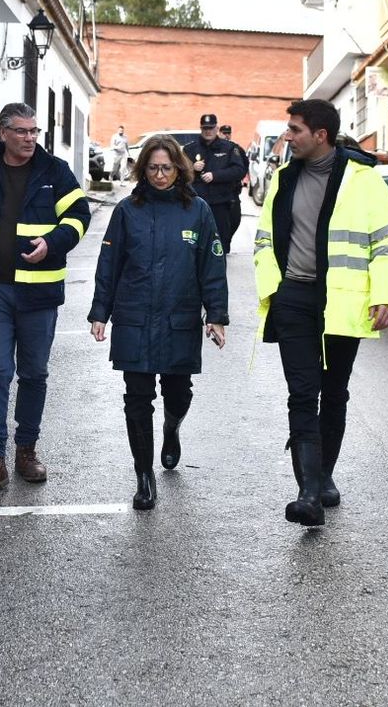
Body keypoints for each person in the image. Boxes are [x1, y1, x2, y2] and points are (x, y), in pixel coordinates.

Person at [253, 99, 388, 527]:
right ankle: (308, 493)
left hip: (342, 303)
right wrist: (274, 289)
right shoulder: (283, 179)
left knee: (333, 392)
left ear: (320, 135)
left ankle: (324, 475)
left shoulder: (364, 182)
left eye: (295, 129)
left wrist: (386, 296)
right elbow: (265, 240)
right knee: (302, 393)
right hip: (294, 301)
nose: (288, 136)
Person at [0, 103, 91, 497]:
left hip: (39, 292)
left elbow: (79, 215)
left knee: (34, 373)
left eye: (34, 131)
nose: (30, 138)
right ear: (3, 132)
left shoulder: (55, 171)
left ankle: (26, 451)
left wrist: (54, 243)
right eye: (22, 131)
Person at [89, 134, 228, 510]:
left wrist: (216, 315)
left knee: (178, 392)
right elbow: (109, 265)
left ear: (178, 169)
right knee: (137, 399)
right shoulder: (127, 210)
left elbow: (211, 266)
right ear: (142, 169)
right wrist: (100, 312)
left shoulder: (197, 210)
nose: (160, 175)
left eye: (167, 168)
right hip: (134, 317)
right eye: (153, 168)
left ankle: (171, 428)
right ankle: (144, 476)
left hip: (179, 317)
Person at [189, 113, 247, 254]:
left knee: (219, 243)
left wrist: (216, 176)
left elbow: (239, 170)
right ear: (201, 129)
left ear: (217, 128)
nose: (208, 131)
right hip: (197, 203)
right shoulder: (190, 149)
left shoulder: (229, 148)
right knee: (195, 243)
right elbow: (178, 171)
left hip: (221, 203)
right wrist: (192, 167)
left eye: (211, 128)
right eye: (205, 128)